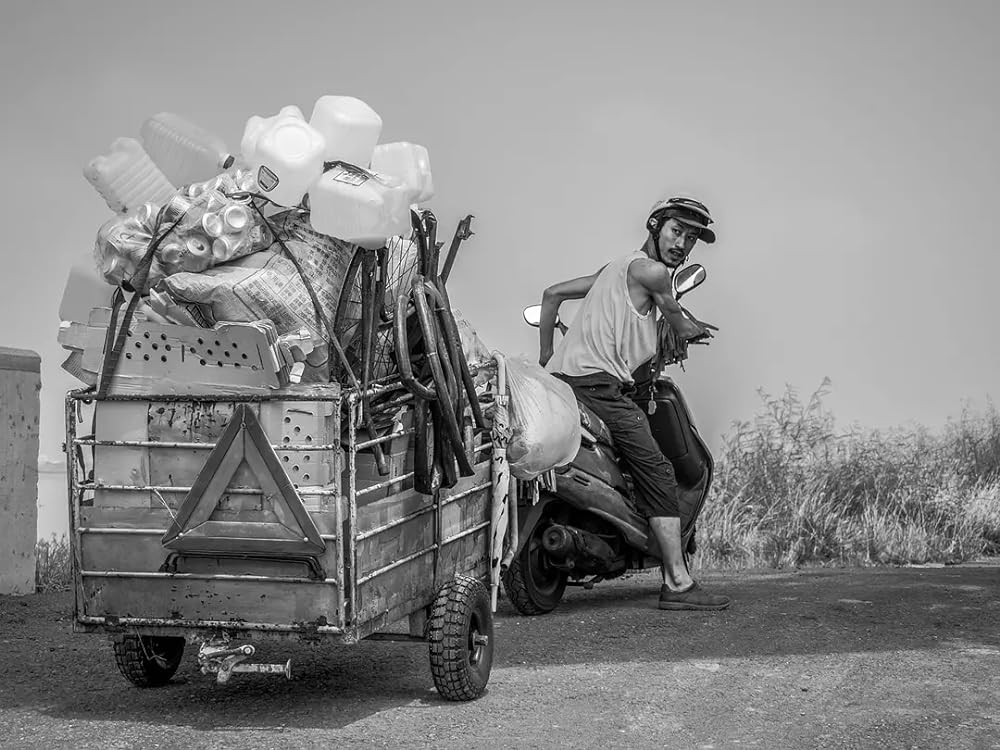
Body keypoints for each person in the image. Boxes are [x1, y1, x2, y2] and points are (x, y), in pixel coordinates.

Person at [538, 196, 730, 611]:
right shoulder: (655, 272)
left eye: (692, 238)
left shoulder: (615, 270)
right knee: (659, 471)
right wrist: (693, 330)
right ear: (655, 226)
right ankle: (677, 582)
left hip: (562, 384)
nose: (683, 244)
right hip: (599, 389)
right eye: (677, 231)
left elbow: (551, 295)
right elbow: (676, 319)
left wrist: (545, 356)